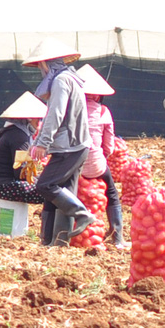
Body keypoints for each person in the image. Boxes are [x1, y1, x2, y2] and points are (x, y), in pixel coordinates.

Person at [9, 38, 95, 241]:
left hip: (68, 146)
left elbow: (56, 113)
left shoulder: (61, 81)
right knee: (64, 191)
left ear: (47, 63)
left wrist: (42, 143)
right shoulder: (71, 78)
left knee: (45, 186)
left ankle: (82, 214)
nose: (40, 69)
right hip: (78, 145)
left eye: (40, 65)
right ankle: (56, 241)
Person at [66, 63, 123, 247]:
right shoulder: (104, 111)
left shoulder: (70, 109)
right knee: (112, 195)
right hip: (97, 163)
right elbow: (109, 146)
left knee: (67, 194)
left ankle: (64, 233)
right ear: (98, 95)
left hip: (74, 162)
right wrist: (102, 155)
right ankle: (118, 238)